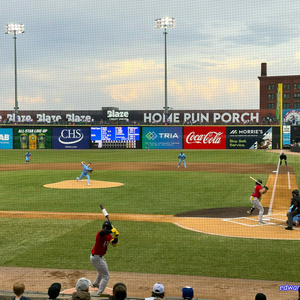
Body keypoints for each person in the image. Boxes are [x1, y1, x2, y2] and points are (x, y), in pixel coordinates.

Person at [90, 220, 119, 296]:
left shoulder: (108, 235)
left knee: (102, 271)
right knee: (106, 276)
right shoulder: (100, 233)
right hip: (96, 257)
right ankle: (100, 293)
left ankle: (96, 284)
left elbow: (114, 244)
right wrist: (112, 230)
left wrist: (116, 236)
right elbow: (103, 232)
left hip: (99, 257)